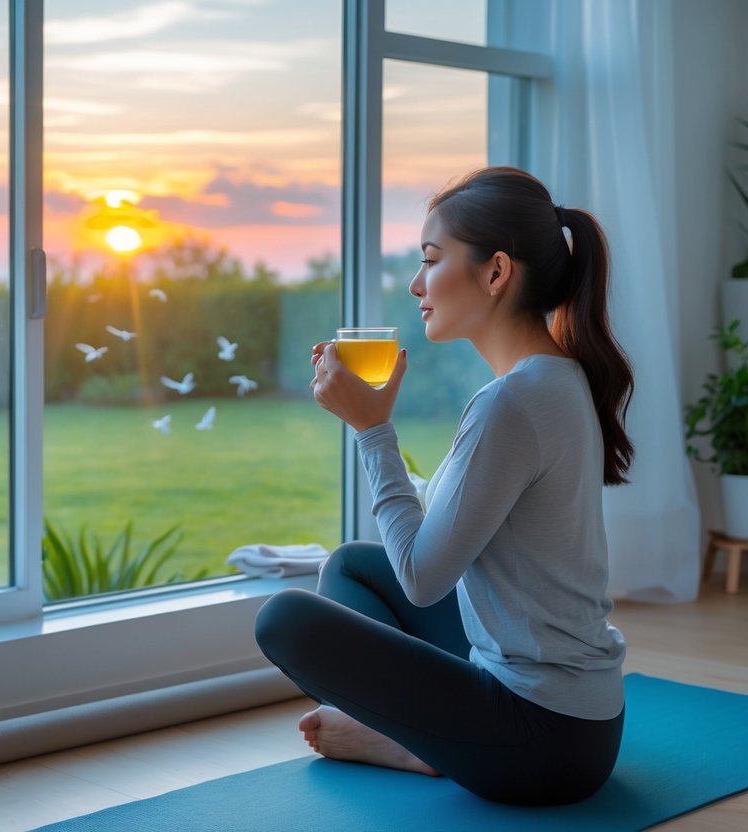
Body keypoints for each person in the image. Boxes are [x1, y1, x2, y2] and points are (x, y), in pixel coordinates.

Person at [254, 166, 634, 806]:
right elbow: (459, 540)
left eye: (431, 260)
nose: (415, 284)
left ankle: (417, 743)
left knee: (284, 618)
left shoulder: (509, 404)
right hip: (582, 724)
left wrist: (372, 430)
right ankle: (425, 740)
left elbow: (424, 578)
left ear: (495, 272)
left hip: (542, 741)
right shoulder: (557, 377)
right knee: (352, 565)